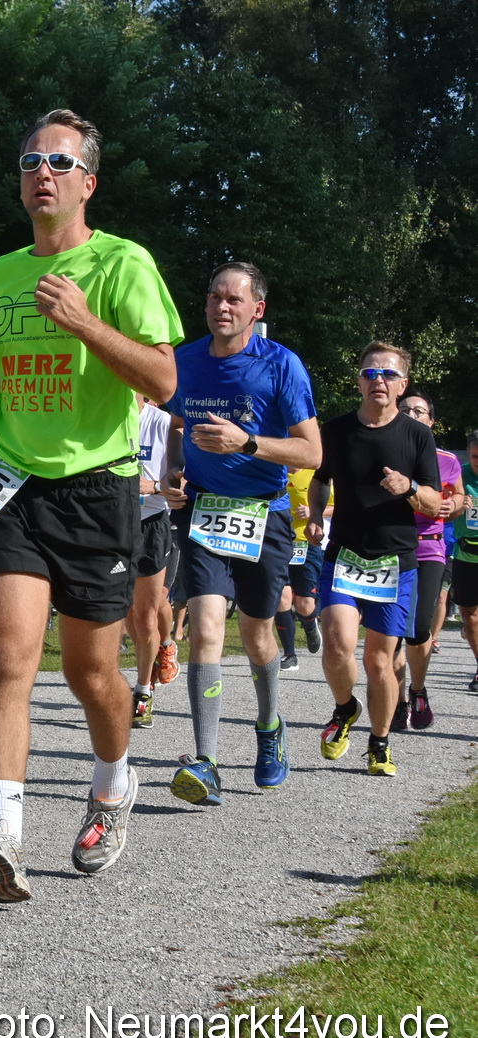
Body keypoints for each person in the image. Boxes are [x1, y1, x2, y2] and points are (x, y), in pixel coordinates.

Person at [0, 109, 182, 902]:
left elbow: (162, 380)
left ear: (88, 183)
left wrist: (84, 322)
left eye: (58, 162)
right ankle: (2, 835)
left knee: (91, 674)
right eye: (29, 161)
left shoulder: (123, 263)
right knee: (7, 658)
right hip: (13, 482)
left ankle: (113, 785)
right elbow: (5, 370)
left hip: (98, 488)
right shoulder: (1, 273)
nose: (41, 173)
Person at [159, 263, 320, 808]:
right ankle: (205, 761)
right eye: (214, 297)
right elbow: (175, 425)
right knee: (205, 627)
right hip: (204, 511)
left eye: (233, 299)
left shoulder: (281, 365)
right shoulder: (185, 361)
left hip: (264, 514)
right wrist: (173, 470)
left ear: (257, 309)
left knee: (257, 636)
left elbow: (311, 452)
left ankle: (270, 727)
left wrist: (247, 443)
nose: (221, 307)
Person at [308, 342, 440, 778]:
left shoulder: (417, 435)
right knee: (337, 643)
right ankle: (345, 707)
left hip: (395, 561)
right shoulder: (336, 430)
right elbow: (320, 480)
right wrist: (315, 516)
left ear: (402, 385)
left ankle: (379, 744)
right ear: (359, 381)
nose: (378, 380)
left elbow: (435, 503)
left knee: (379, 661)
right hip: (345, 553)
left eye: (388, 374)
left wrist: (409, 488)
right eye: (370, 373)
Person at [393, 393, 464, 730]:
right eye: (405, 409)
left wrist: (456, 505)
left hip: (428, 548)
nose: (411, 414)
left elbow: (460, 495)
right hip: (388, 547)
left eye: (419, 411)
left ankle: (417, 689)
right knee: (389, 632)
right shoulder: (384, 452)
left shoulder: (446, 460)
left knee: (419, 627)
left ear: (431, 421)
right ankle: (397, 702)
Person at [128, 394, 173, 728]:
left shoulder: (163, 423)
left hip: (151, 523)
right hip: (111, 522)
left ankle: (143, 690)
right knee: (122, 611)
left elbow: (185, 479)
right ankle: (151, 653)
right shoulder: (102, 416)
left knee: (146, 615)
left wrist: (154, 485)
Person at [274, 465, 328, 671]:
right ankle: (290, 655)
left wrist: (313, 512)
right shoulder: (275, 471)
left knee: (304, 605)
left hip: (306, 543)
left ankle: (310, 624)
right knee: (282, 598)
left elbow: (336, 505)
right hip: (279, 543)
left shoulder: (315, 474)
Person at [449, 431, 478, 692]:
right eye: (476, 456)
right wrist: (458, 505)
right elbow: (443, 513)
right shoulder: (460, 475)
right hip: (466, 554)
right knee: (469, 614)